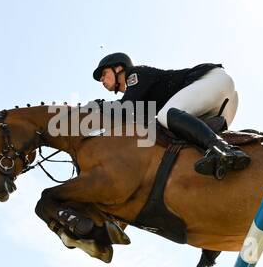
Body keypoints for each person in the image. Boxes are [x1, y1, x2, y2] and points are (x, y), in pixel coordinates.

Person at [91, 52, 250, 179]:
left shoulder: (135, 74)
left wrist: (97, 107)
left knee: (166, 115)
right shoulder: (141, 97)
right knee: (181, 136)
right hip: (223, 101)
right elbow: (139, 127)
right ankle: (224, 150)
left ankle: (224, 149)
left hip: (211, 81)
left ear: (118, 68)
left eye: (104, 74)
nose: (102, 80)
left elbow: (123, 109)